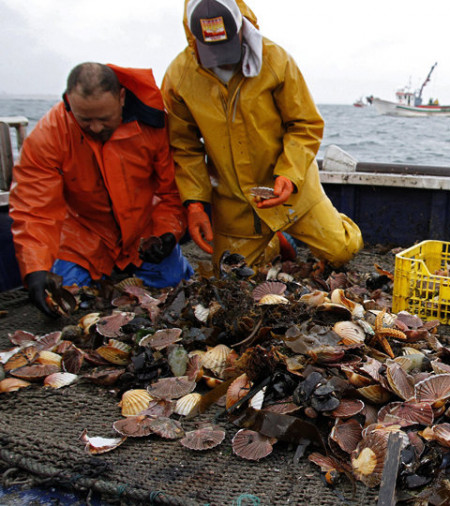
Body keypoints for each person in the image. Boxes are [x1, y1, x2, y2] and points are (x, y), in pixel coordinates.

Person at [162, 0, 363, 269]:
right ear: (193, 37)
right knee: (232, 276)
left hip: (291, 190)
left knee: (342, 251)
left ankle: (327, 226)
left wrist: (289, 176)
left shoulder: (276, 60)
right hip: (234, 200)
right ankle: (276, 242)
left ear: (241, 27)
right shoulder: (179, 76)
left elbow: (305, 125)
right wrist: (195, 204)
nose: (221, 58)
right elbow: (184, 146)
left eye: (227, 45)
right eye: (211, 50)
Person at [9, 62, 193, 316]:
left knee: (173, 286)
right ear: (69, 103)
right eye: (85, 120)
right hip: (85, 233)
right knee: (66, 298)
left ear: (121, 98)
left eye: (104, 119)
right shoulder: (49, 134)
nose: (96, 128)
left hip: (143, 232)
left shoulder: (154, 123)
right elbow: (35, 208)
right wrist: (35, 267)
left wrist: (167, 234)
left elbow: (171, 192)